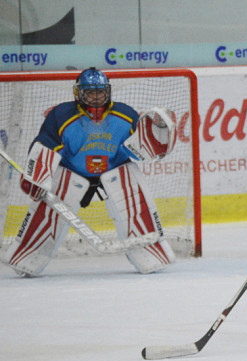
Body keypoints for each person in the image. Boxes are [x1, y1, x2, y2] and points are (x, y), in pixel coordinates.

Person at [2, 67, 176, 277]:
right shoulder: (61, 115)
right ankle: (28, 255)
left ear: (107, 92)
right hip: (70, 171)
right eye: (91, 92)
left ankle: (151, 251)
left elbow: (141, 146)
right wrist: (37, 177)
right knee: (51, 200)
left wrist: (158, 136)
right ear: (79, 93)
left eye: (100, 92)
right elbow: (45, 145)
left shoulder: (125, 114)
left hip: (115, 169)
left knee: (131, 186)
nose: (96, 96)